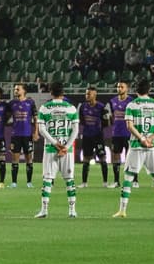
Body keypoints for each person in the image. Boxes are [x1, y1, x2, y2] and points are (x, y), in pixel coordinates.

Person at [112, 79, 154, 219]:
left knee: (128, 178)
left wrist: (141, 138)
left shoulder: (132, 105)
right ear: (149, 90)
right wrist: (151, 139)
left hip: (136, 147)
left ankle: (122, 210)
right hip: (152, 148)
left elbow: (129, 126)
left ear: (136, 90)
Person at [35, 81, 80, 218]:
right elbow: (75, 130)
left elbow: (42, 130)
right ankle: (72, 210)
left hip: (50, 149)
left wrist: (55, 144)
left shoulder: (44, 108)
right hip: (67, 151)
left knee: (47, 180)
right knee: (69, 180)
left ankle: (44, 210)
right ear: (63, 93)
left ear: (51, 92)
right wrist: (65, 147)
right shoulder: (71, 108)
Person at [78, 86, 110, 187]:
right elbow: (82, 120)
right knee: (86, 159)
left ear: (94, 95)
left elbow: (106, 122)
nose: (87, 95)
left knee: (102, 158)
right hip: (87, 135)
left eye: (89, 94)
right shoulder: (83, 106)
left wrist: (99, 128)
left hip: (98, 136)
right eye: (86, 93)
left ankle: (105, 182)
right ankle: (84, 183)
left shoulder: (101, 107)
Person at [8, 82, 38, 188]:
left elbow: (35, 118)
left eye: (17, 89)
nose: (15, 91)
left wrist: (36, 132)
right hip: (16, 134)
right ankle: (14, 182)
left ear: (24, 91)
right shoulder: (12, 103)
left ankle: (29, 182)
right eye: (15, 89)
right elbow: (6, 117)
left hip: (27, 134)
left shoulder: (30, 102)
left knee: (29, 158)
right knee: (15, 158)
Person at [108, 80, 133, 188]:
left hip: (128, 133)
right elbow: (111, 117)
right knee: (116, 156)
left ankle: (133, 181)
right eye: (118, 87)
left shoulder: (131, 101)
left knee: (131, 157)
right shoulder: (112, 101)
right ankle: (116, 181)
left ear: (127, 88)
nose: (119, 89)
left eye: (122, 87)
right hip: (116, 133)